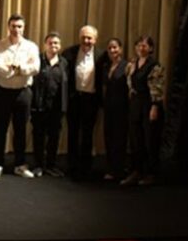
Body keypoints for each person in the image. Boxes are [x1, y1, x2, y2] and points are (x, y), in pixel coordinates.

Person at [0, 13, 40, 179]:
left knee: (21, 130)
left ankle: (20, 164)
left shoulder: (32, 46)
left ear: (23, 27)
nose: (16, 29)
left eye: (19, 26)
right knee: (0, 129)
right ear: (8, 27)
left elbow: (36, 68)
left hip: (23, 93)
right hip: (3, 92)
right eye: (13, 26)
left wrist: (18, 69)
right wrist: (18, 70)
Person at [122, 35, 165, 186]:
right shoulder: (133, 63)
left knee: (150, 139)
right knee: (135, 138)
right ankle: (136, 170)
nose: (141, 48)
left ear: (151, 48)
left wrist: (155, 106)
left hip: (149, 104)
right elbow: (130, 81)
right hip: (136, 103)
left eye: (145, 45)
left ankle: (151, 173)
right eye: (139, 45)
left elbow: (157, 87)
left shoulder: (155, 65)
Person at [62, 25, 103, 180]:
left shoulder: (101, 55)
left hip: (91, 100)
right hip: (74, 99)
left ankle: (86, 167)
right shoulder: (69, 53)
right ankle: (71, 166)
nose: (86, 40)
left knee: (87, 134)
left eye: (90, 38)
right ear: (79, 37)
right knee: (72, 133)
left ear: (95, 39)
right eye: (84, 37)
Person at [30, 32, 68, 178]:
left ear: (60, 46)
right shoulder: (37, 60)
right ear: (45, 44)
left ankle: (51, 165)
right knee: (38, 136)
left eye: (56, 43)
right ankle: (38, 165)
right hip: (39, 107)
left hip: (56, 108)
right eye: (50, 43)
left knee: (54, 137)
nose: (53, 46)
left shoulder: (64, 63)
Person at [99, 37, 129, 181]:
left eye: (115, 47)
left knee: (119, 138)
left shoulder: (127, 66)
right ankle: (110, 168)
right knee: (109, 137)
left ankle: (119, 169)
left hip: (122, 108)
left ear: (121, 49)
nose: (112, 50)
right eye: (110, 48)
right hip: (109, 107)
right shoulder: (106, 66)